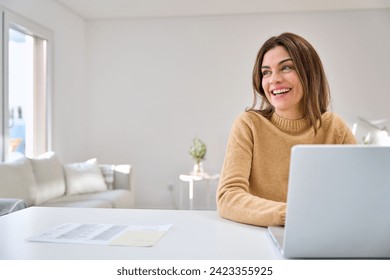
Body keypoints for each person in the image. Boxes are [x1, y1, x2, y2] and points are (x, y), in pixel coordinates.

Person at [216, 32, 357, 227]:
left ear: (309, 73)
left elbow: (360, 193)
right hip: (257, 237)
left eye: (286, 67)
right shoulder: (248, 125)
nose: (274, 79)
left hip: (321, 233)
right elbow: (228, 197)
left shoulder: (335, 127)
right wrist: (290, 214)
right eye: (266, 72)